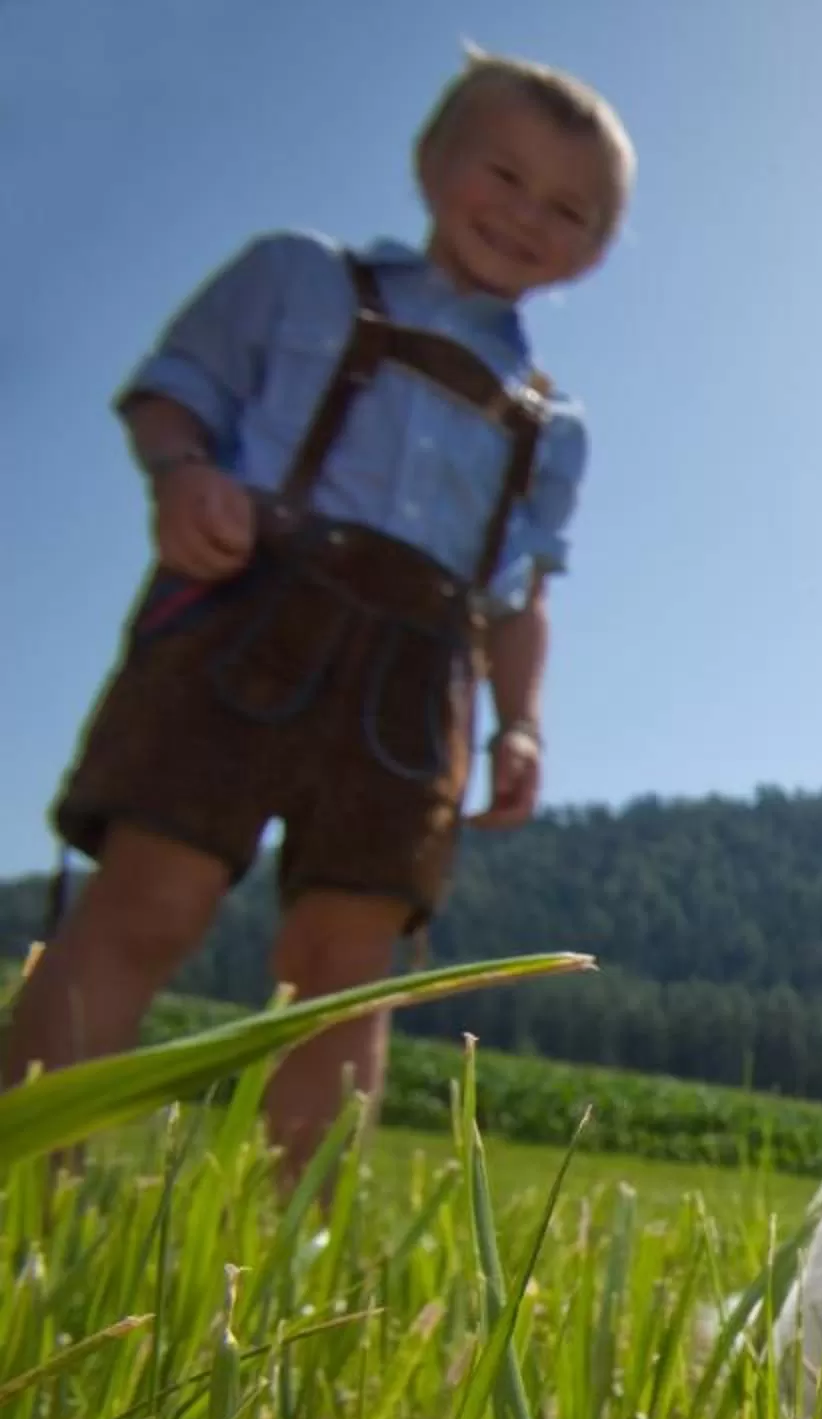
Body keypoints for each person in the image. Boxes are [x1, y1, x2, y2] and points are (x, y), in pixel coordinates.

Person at [3, 48, 633, 1187]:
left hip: (417, 678)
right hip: (249, 622)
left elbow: (521, 594)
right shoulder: (299, 276)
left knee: (350, 958)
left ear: (595, 253)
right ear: (432, 162)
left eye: (570, 211)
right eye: (504, 174)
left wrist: (520, 723)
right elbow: (172, 392)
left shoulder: (554, 424)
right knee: (152, 895)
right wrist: (183, 472)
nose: (528, 217)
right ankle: (21, 1175)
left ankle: (294, 1235)